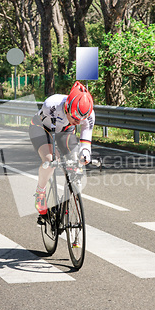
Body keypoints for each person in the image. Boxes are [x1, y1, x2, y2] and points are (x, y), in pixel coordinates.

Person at [29, 81, 95, 214]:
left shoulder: (89, 115)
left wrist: (85, 154)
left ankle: (65, 201)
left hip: (65, 130)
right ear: (67, 107)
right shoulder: (52, 104)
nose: (78, 122)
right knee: (51, 159)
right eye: (75, 118)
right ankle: (40, 193)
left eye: (81, 120)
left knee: (76, 164)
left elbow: (85, 139)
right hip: (42, 128)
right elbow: (52, 135)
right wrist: (56, 158)